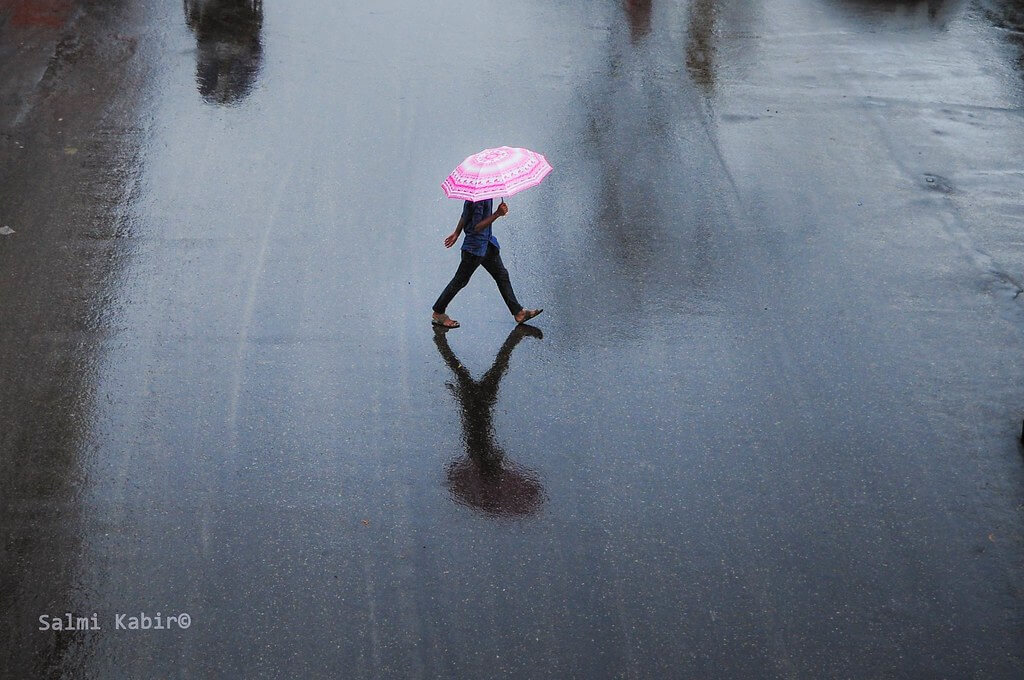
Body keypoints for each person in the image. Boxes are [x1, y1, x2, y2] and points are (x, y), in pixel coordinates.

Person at [431, 198, 542, 329]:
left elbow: (465, 214)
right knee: (460, 280)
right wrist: (497, 214)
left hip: (487, 244)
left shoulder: (478, 194)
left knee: (502, 275)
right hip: (474, 249)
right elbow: (476, 227)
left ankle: (519, 313)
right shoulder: (479, 199)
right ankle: (438, 312)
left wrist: (457, 232)